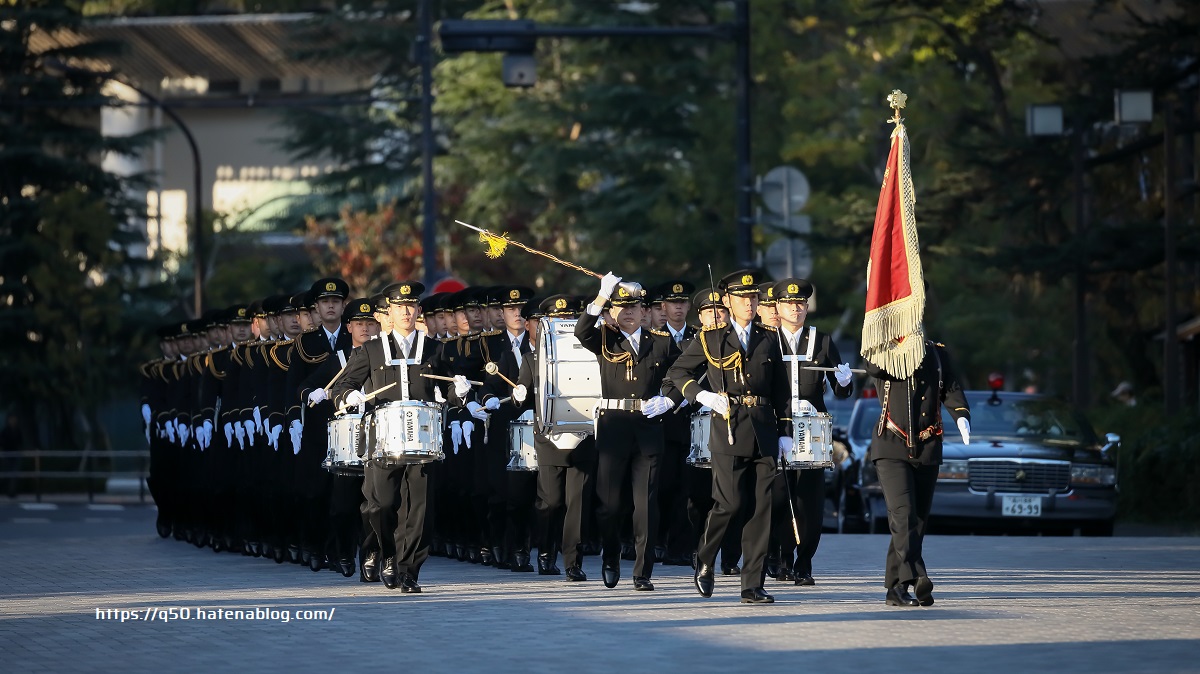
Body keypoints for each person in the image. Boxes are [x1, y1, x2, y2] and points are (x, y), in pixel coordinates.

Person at [330, 281, 468, 593]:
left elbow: (447, 387)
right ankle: (388, 554)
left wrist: (458, 392)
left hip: (422, 440)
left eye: (411, 306)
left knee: (420, 511)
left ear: (418, 310)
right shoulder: (372, 349)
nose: (406, 311)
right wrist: (349, 396)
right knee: (381, 505)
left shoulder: (434, 349)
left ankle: (409, 571)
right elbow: (342, 386)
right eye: (400, 306)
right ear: (389, 312)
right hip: (382, 441)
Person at [665, 269, 790, 604]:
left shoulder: (770, 337)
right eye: (742, 298)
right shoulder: (710, 338)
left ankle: (752, 584)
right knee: (731, 503)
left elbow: (781, 389)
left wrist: (786, 430)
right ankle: (705, 557)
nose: (749, 303)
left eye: (753, 297)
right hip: (729, 427)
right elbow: (678, 372)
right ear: (729, 301)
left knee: (762, 509)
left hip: (764, 428)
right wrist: (701, 395)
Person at [574, 274, 683, 591]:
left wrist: (670, 400)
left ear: (645, 312)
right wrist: (600, 296)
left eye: (635, 307)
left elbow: (683, 375)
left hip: (648, 427)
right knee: (608, 504)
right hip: (614, 427)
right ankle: (610, 556)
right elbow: (582, 330)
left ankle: (642, 571)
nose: (629, 313)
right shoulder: (605, 339)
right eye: (621, 308)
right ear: (611, 312)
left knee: (646, 505)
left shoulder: (661, 342)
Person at [864, 340, 970, 607]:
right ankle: (917, 575)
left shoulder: (936, 352)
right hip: (891, 443)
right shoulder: (882, 349)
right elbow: (873, 367)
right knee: (903, 514)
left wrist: (961, 415)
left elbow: (950, 387)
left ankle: (896, 588)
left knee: (917, 520)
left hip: (928, 446)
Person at [768, 278, 853, 586]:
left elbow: (841, 390)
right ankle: (782, 558)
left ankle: (805, 563)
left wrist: (844, 382)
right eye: (790, 303)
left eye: (801, 303)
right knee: (778, 497)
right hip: (776, 427)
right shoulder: (767, 341)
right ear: (777, 307)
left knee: (809, 501)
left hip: (812, 430)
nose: (796, 308)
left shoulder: (822, 341)